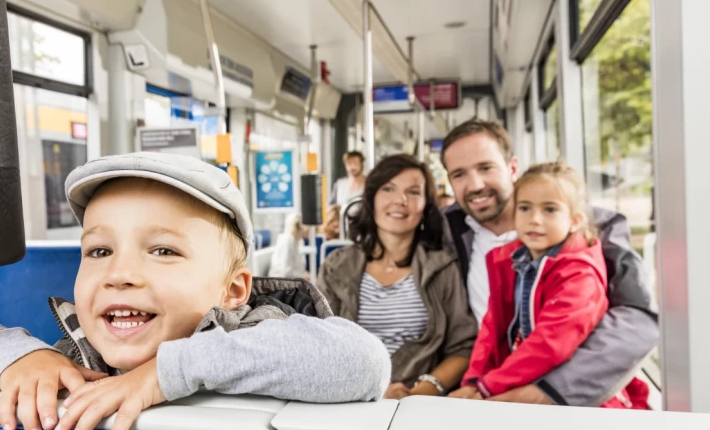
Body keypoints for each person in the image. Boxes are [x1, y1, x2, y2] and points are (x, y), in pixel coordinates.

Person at [0, 152, 391, 430]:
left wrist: (165, 373)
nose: (120, 274)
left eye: (162, 251)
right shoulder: (76, 362)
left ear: (234, 290)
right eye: (99, 251)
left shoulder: (252, 332)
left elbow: (365, 362)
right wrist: (21, 357)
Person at [441, 119, 657, 407]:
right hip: (491, 384)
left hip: (563, 390)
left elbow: (638, 321)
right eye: (459, 174)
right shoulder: (447, 230)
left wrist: (546, 393)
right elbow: (491, 327)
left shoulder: (590, 232)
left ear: (512, 167)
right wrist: (473, 383)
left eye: (486, 167)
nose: (475, 184)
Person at [318, 154, 477, 399]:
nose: (400, 200)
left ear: (426, 206)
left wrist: (426, 389)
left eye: (413, 192)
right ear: (371, 199)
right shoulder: (337, 267)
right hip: (348, 400)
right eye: (389, 189)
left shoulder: (442, 268)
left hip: (419, 401)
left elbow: (463, 346)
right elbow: (319, 346)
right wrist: (370, 391)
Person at [270, 212, 307, 278]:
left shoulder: (297, 241)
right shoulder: (287, 241)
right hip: (283, 282)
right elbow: (286, 272)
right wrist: (302, 276)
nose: (303, 231)